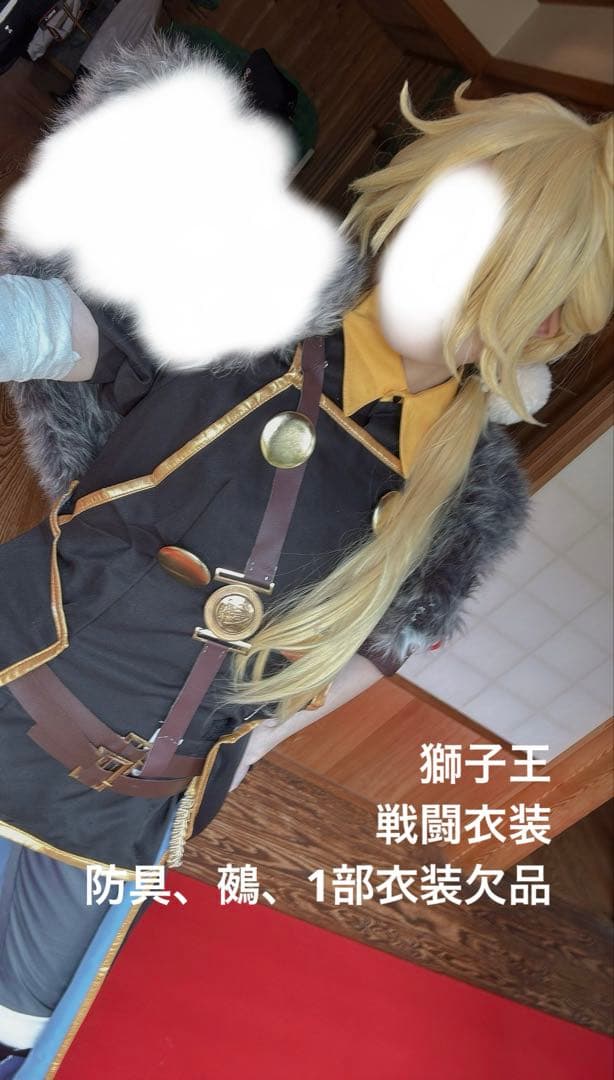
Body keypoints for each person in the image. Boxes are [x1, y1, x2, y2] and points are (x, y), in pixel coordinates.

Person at [0, 33, 611, 1073]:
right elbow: (61, 328)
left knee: (18, 1028)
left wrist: (217, 785)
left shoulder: (461, 499)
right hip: (17, 682)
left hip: (135, 807)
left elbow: (321, 681)